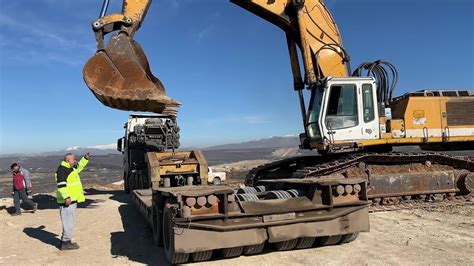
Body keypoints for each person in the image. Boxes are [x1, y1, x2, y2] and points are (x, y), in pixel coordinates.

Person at [55, 152, 91, 251]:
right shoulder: (62, 170)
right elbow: (61, 186)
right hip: (67, 201)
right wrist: (66, 197)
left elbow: (79, 167)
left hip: (71, 200)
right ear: (68, 160)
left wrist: (85, 158)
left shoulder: (70, 168)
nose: (75, 161)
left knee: (70, 221)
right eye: (73, 159)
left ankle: (66, 241)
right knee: (68, 221)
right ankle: (65, 243)